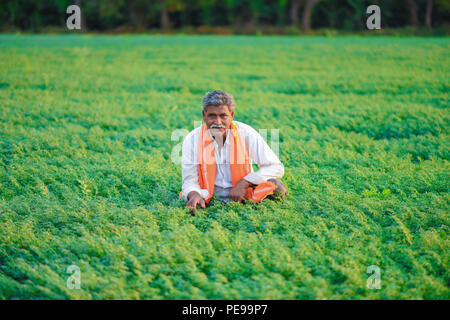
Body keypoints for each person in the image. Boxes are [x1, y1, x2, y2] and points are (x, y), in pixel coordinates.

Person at [181, 90, 286, 214]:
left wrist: (245, 182)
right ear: (204, 116)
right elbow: (189, 180)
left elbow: (275, 167)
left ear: (231, 115)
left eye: (223, 116)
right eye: (212, 116)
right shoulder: (192, 138)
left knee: (276, 186)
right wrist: (194, 195)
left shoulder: (246, 133)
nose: (218, 122)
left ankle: (257, 213)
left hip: (244, 196)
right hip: (208, 198)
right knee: (192, 200)